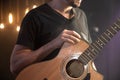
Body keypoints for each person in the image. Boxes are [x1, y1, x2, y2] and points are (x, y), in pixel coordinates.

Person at [10, 0, 94, 79]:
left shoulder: (81, 15)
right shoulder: (35, 16)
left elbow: (88, 54)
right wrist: (53, 44)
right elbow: (15, 65)